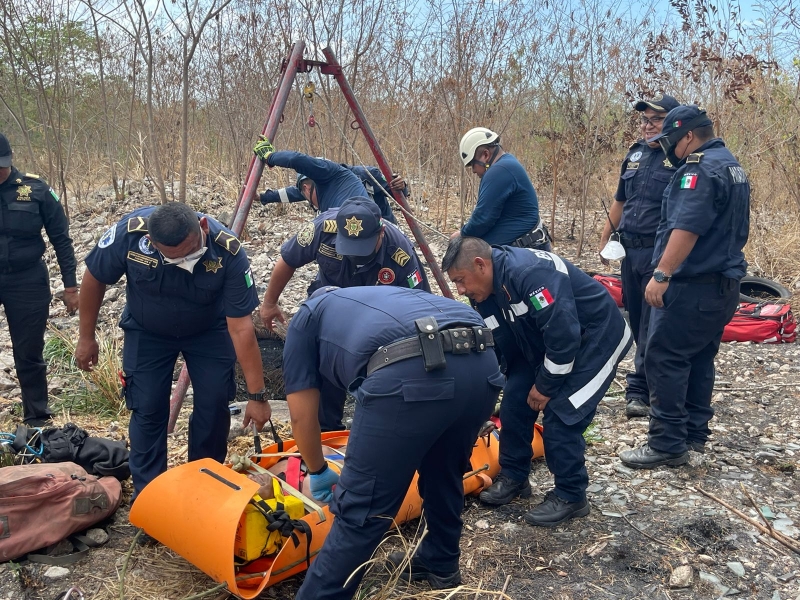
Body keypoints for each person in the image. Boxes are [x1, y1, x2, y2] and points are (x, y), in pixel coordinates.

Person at [282, 285, 504, 600]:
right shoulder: (379, 300)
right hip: (483, 368)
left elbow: (301, 417)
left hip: (412, 375)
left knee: (362, 505)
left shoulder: (306, 317)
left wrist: (317, 470)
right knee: (444, 471)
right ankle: (440, 560)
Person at [75, 203, 271, 498]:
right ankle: (150, 496)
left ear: (203, 227)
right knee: (147, 406)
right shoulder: (130, 236)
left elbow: (242, 329)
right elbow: (94, 276)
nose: (185, 261)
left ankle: (204, 487)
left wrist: (257, 396)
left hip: (208, 331)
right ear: (152, 243)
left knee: (214, 403)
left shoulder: (227, 250)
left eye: (191, 252)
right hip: (148, 331)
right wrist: (86, 337)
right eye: (174, 257)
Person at [443, 237, 632, 526]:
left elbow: (563, 334)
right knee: (514, 403)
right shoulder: (482, 291)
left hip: (595, 339)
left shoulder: (530, 274)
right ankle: (514, 476)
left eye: (460, 280)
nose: (460, 290)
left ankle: (571, 495)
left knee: (562, 413)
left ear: (480, 265)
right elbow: (502, 344)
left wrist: (545, 386)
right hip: (544, 345)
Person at [620, 105, 749, 469]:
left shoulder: (697, 170)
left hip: (692, 285)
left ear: (688, 136)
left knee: (665, 357)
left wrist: (661, 275)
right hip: (723, 285)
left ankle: (666, 442)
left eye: (672, 142)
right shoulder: (731, 165)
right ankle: (693, 433)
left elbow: (686, 228)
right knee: (700, 357)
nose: (669, 151)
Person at [260, 197, 430, 431]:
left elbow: (419, 304)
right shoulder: (323, 228)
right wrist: (269, 303)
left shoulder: (400, 252)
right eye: (350, 248)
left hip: (377, 316)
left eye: (362, 249)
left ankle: (375, 426)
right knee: (320, 361)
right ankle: (326, 429)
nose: (355, 256)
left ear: (380, 233)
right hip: (330, 304)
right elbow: (288, 259)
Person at [598, 94, 680, 420]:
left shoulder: (681, 159)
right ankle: (645, 385)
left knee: (651, 324)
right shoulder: (634, 155)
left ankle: (640, 391)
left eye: (656, 120)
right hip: (629, 252)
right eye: (644, 120)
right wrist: (605, 235)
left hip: (658, 253)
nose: (648, 126)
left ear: (673, 122)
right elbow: (620, 200)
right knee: (635, 319)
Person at [0, 133, 78, 427]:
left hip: (27, 280)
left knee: (29, 351)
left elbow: (61, 239)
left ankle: (37, 419)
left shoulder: (36, 189)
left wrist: (70, 286)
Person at [453, 127, 550, 249]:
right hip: (526, 247)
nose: (473, 170)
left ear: (485, 155)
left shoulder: (499, 171)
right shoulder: (507, 163)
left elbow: (482, 220)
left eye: (473, 164)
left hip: (524, 253)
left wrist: (461, 234)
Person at [258, 162, 407, 224]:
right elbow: (291, 193)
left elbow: (398, 194)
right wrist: (262, 197)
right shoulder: (314, 186)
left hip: (384, 229)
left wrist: (402, 186)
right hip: (352, 233)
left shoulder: (367, 174)